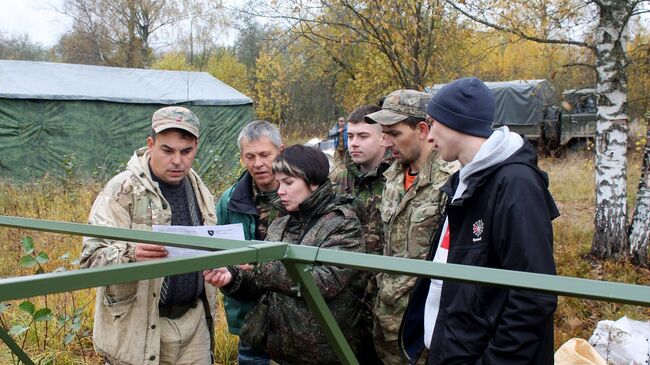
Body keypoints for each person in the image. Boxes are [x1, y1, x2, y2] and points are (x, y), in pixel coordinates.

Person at [400, 77, 559, 364]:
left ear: (454, 122)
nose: (429, 137)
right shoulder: (464, 180)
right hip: (451, 351)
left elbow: (534, 297)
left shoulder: (515, 185)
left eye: (432, 123)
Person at [204, 145, 367, 365]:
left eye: (289, 183)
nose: (280, 191)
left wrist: (260, 264)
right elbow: (262, 285)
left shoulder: (343, 223)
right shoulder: (281, 222)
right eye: (279, 183)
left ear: (314, 182)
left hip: (327, 354)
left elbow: (324, 282)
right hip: (281, 352)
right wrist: (232, 278)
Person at [81, 106, 218, 365]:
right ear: (151, 144)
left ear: (196, 147)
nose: (177, 160)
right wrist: (131, 254)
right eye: (167, 150)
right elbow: (91, 259)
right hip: (138, 328)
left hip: (194, 323)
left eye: (186, 151)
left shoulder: (201, 190)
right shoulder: (122, 190)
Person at [364, 90, 459, 364]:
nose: (385, 142)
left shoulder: (451, 181)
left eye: (393, 133)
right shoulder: (392, 176)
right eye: (383, 133)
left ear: (422, 130)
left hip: (422, 327)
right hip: (386, 322)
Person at [215, 120, 284, 365]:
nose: (258, 163)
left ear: (281, 151)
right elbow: (218, 252)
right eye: (250, 156)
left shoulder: (299, 193)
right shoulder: (229, 200)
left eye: (265, 154)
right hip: (249, 320)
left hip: (294, 320)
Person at [330, 104, 390, 365]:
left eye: (363, 136)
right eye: (350, 136)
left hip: (386, 302)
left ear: (383, 138)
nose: (354, 143)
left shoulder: (397, 180)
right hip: (347, 300)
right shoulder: (338, 181)